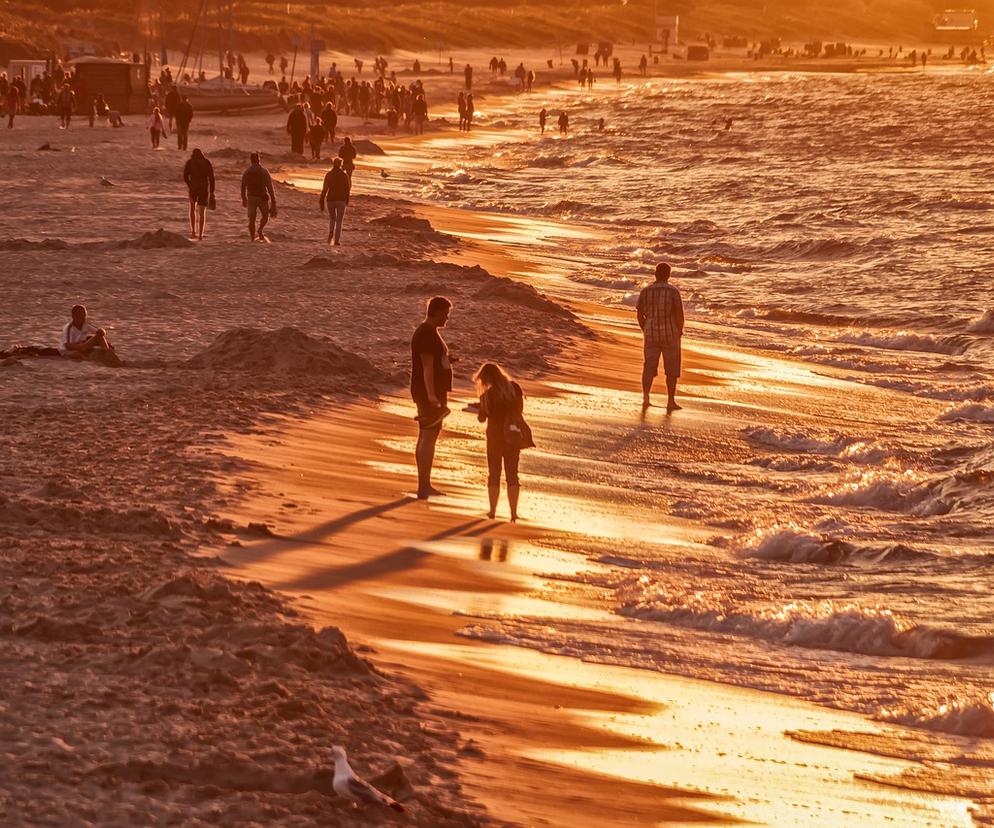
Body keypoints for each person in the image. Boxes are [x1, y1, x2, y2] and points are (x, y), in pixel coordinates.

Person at [411, 296, 454, 499]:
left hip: (430, 391)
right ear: (436, 312)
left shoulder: (429, 332)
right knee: (429, 436)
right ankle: (424, 486)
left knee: (426, 435)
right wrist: (432, 397)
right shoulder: (427, 334)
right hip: (429, 393)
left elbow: (433, 362)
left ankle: (424, 484)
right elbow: (427, 367)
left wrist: (446, 360)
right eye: (446, 313)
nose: (447, 317)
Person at [475, 362, 527, 521]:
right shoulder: (515, 389)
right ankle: (513, 513)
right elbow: (519, 411)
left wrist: (478, 408)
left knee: (494, 474)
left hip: (495, 438)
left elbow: (482, 418)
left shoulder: (487, 395)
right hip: (512, 436)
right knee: (512, 475)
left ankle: (492, 511)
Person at [636, 262, 684, 412]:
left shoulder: (646, 291)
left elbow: (639, 313)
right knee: (671, 369)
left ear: (655, 274)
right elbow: (679, 314)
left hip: (651, 334)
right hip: (670, 334)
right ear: (668, 275)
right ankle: (670, 401)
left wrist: (645, 328)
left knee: (649, 366)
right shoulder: (673, 291)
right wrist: (679, 331)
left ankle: (646, 397)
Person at [240, 152, 277, 241]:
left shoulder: (247, 172)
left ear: (251, 160)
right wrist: (273, 200)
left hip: (251, 198)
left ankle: (252, 238)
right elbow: (269, 186)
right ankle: (260, 230)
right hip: (262, 197)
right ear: (258, 160)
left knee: (251, 220)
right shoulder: (264, 171)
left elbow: (243, 186)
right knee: (265, 216)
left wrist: (244, 198)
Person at [183, 148, 215, 240]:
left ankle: (193, 232)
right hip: (204, 189)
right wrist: (212, 191)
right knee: (202, 213)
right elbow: (211, 178)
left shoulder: (190, 162)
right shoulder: (207, 162)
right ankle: (200, 235)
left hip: (193, 189)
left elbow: (185, 176)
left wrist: (190, 184)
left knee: (192, 209)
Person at [319, 157, 351, 246]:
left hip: (331, 200)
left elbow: (325, 188)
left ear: (333, 164)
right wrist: (347, 199)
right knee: (339, 221)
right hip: (341, 200)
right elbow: (347, 189)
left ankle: (331, 231)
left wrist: (322, 199)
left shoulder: (329, 174)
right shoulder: (344, 175)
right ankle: (337, 240)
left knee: (332, 218)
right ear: (341, 165)